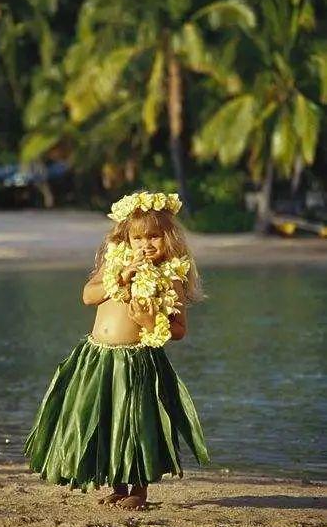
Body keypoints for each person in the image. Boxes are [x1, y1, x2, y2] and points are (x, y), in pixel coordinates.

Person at [23, 191, 210, 510]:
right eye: (138, 238)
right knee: (106, 418)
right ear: (126, 239)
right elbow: (88, 296)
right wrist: (119, 279)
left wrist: (151, 319)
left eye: (155, 236)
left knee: (134, 422)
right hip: (96, 357)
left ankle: (138, 490)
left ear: (170, 239)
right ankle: (118, 485)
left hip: (136, 360)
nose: (146, 244)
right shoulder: (114, 265)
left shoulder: (171, 278)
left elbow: (178, 330)